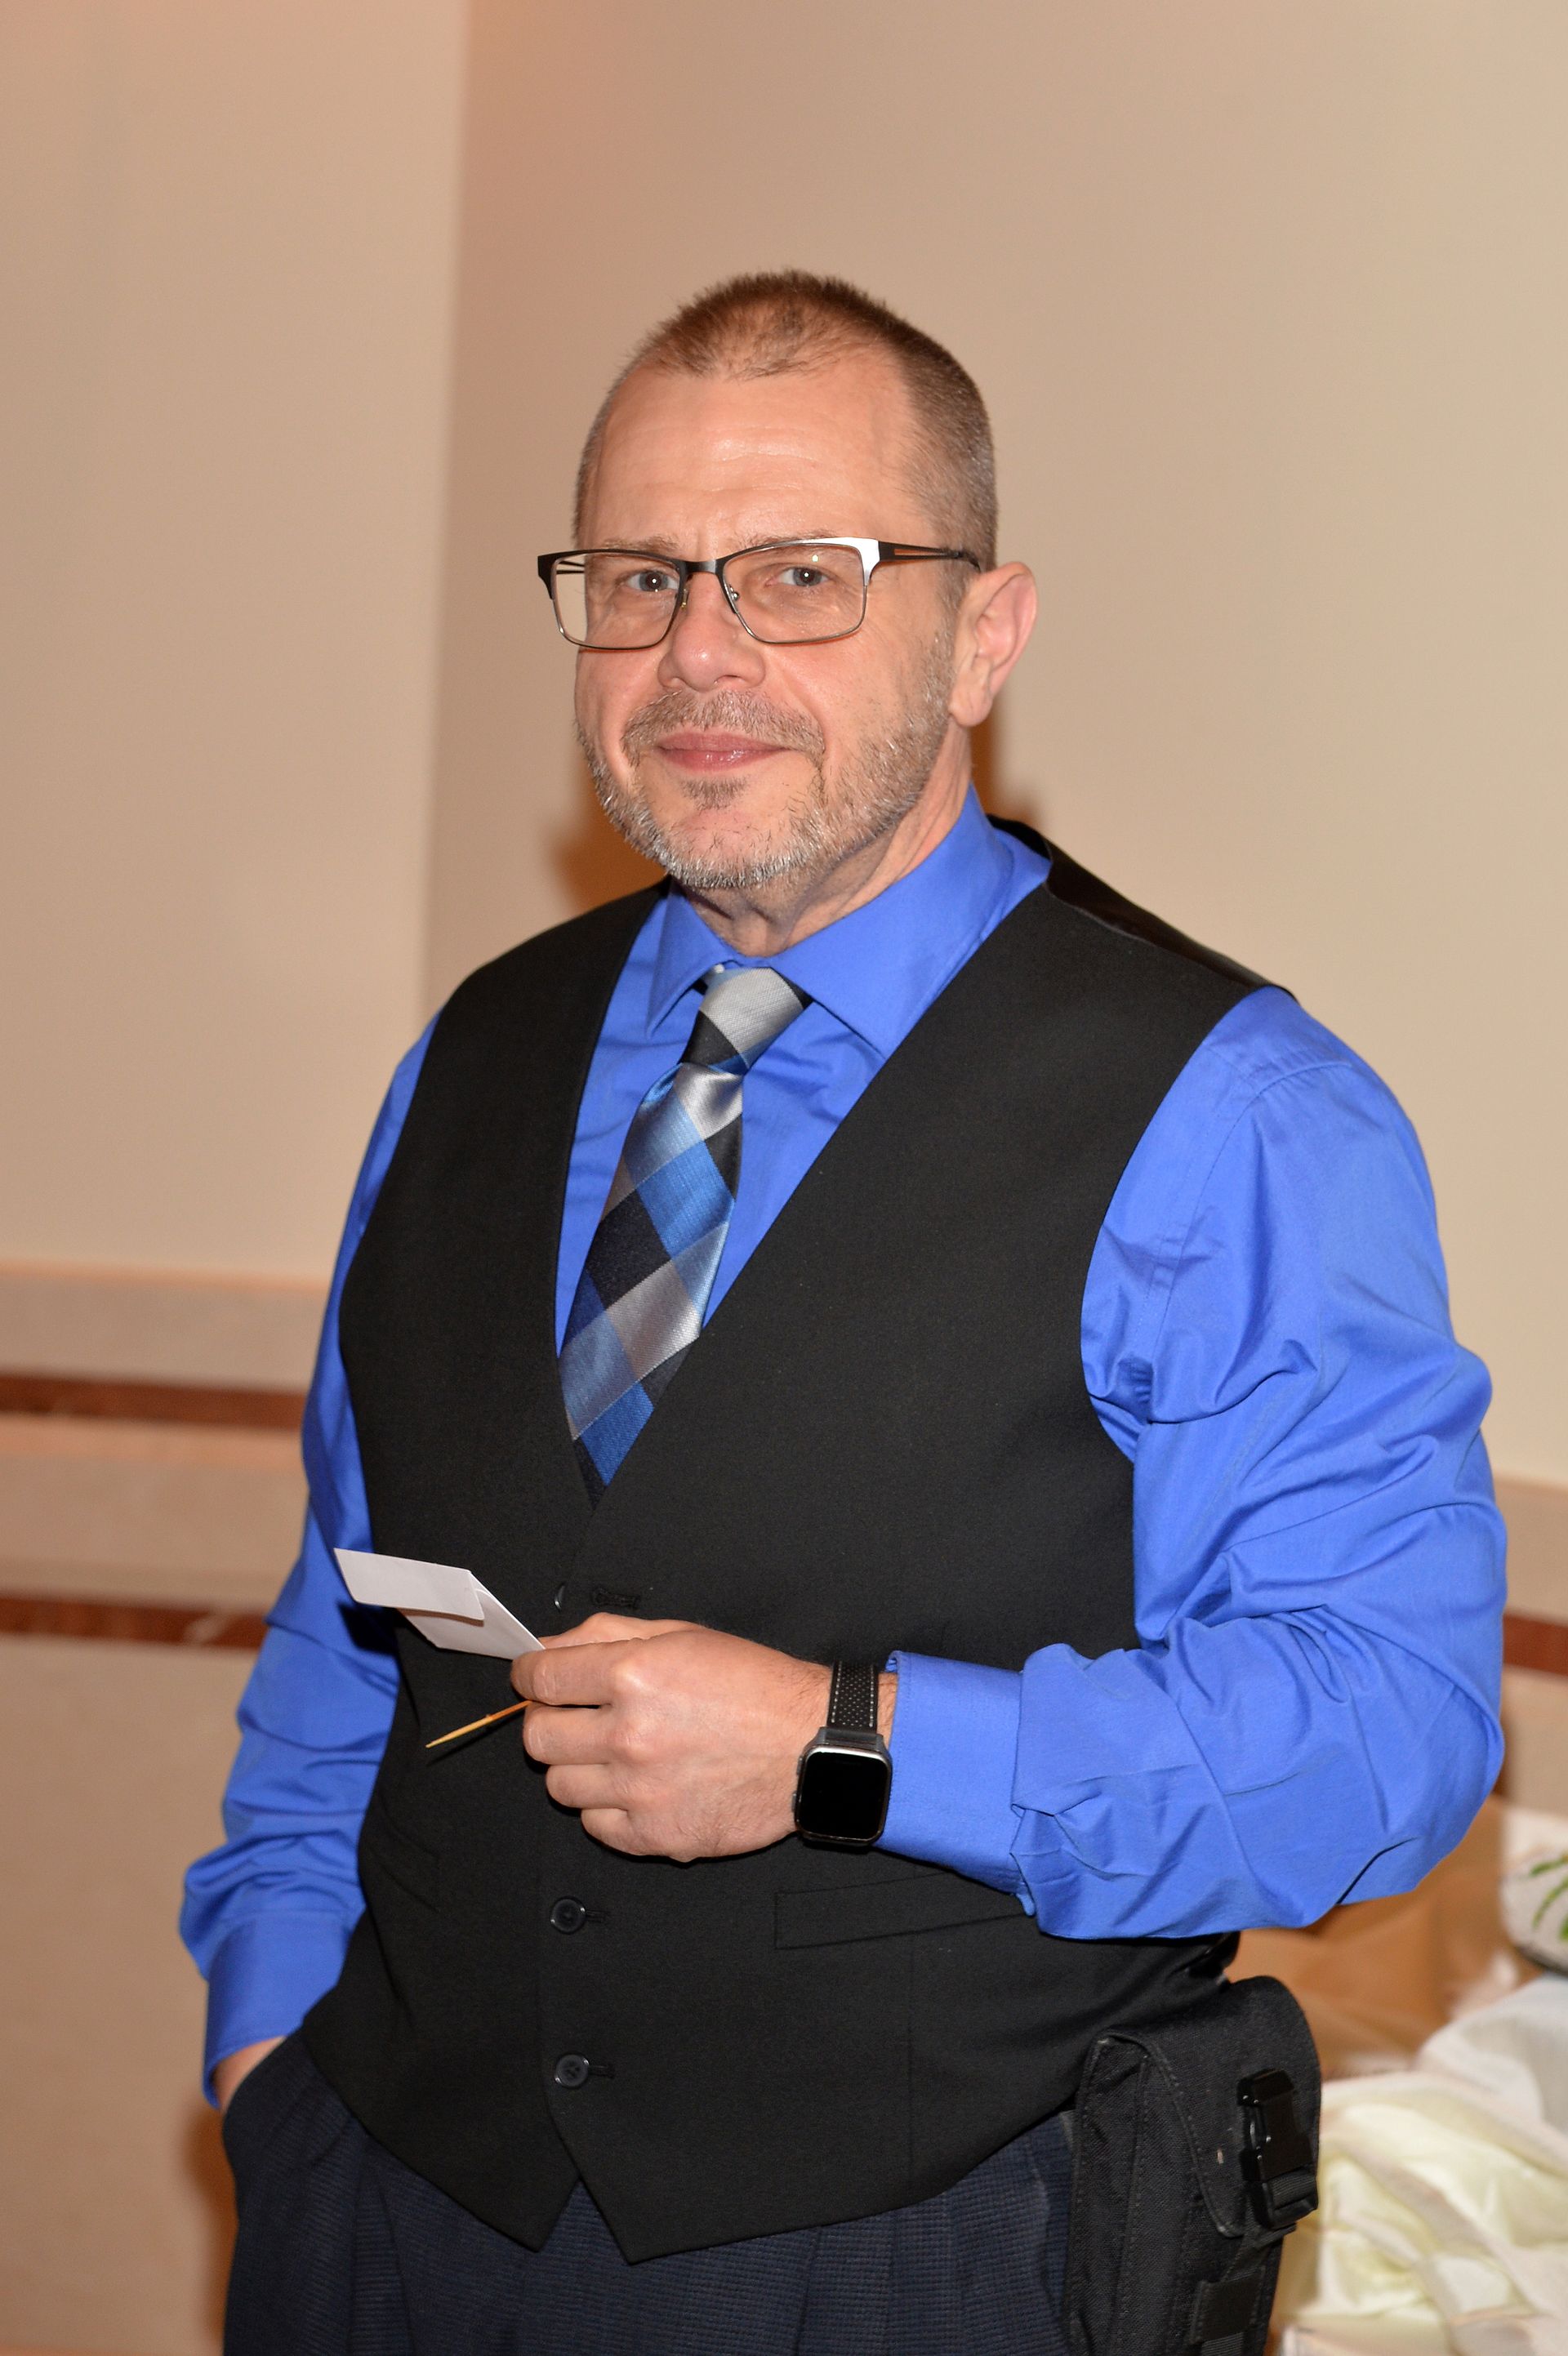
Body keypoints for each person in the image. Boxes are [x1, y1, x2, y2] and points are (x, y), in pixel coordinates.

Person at [183, 271, 1504, 2355]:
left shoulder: (1233, 1113)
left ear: (988, 634)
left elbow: (1388, 1733)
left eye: (804, 574)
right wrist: (269, 2059)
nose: (700, 653)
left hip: (929, 2256)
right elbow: (340, 1625)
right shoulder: (473, 1053)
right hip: (380, 2223)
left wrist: (847, 1743)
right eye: (639, 577)